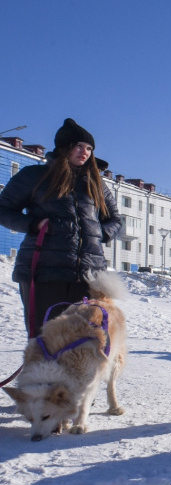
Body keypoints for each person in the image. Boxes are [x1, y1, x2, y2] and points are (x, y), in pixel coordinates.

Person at [0, 118, 122, 337]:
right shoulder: (34, 176)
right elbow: (3, 209)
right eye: (79, 146)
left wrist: (99, 233)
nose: (84, 152)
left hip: (88, 276)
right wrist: (32, 224)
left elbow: (115, 219)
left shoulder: (95, 183)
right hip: (44, 274)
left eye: (89, 148)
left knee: (82, 343)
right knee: (45, 342)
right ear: (64, 147)